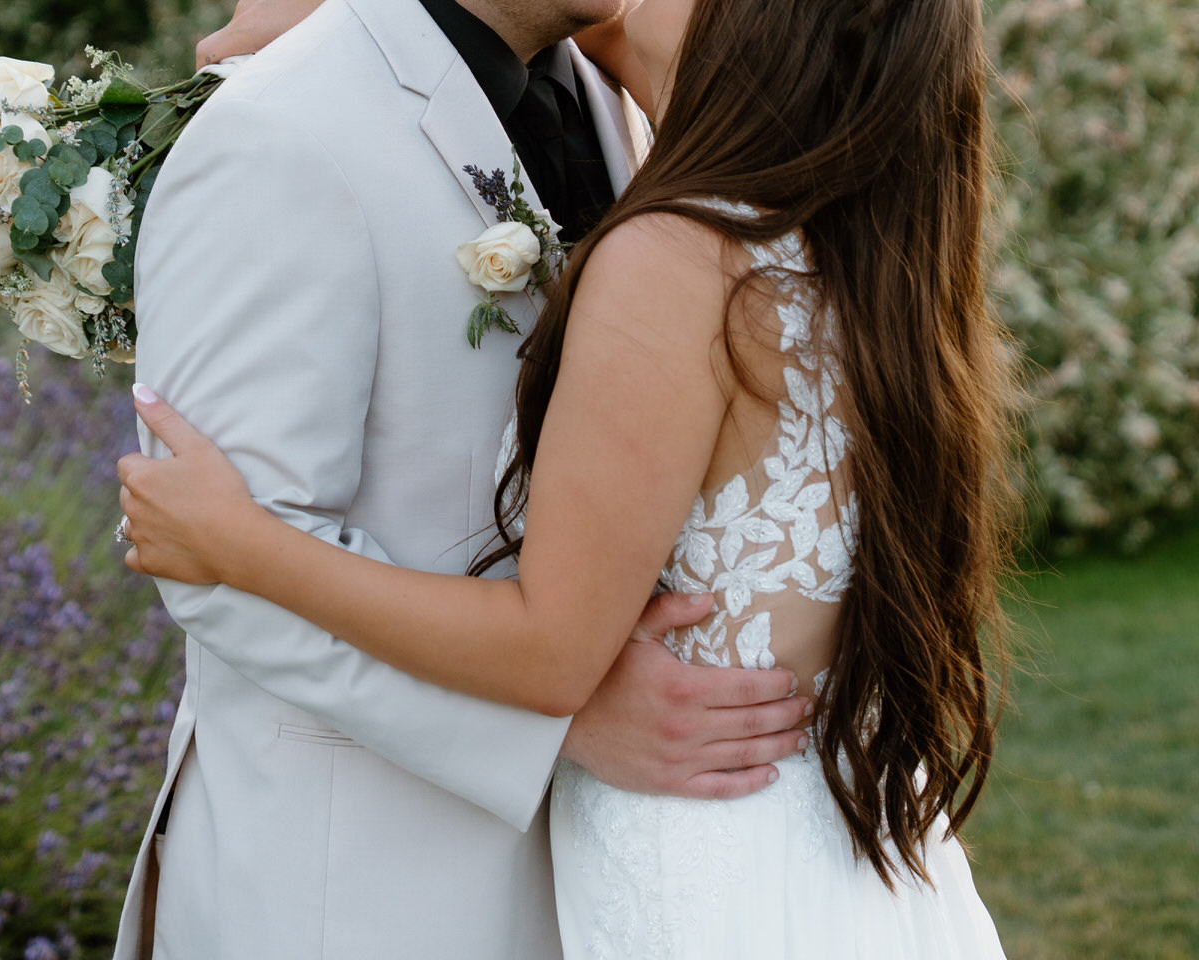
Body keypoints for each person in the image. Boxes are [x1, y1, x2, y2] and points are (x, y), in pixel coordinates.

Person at [119, 0, 1019, 956]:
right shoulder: (283, 130)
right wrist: (551, 728)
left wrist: (245, 547)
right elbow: (212, 565)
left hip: (690, 856)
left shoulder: (658, 136)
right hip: (375, 892)